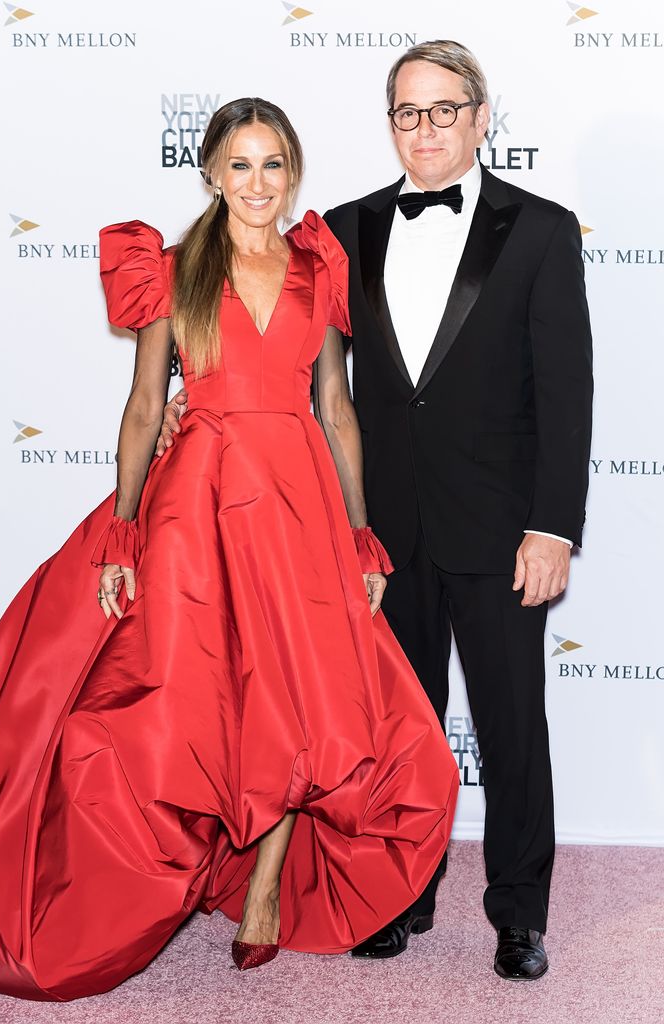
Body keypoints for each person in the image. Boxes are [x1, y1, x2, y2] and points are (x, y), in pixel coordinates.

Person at [0, 97, 458, 1001]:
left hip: (295, 504)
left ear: (294, 175)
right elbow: (140, 408)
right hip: (197, 501)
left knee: (298, 697)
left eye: (274, 165)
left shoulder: (319, 269)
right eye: (240, 165)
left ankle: (260, 889)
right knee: (180, 698)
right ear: (210, 172)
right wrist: (125, 526)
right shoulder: (168, 272)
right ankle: (155, 879)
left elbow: (337, 408)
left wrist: (361, 534)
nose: (257, 184)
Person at [160, 45, 593, 981]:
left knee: (513, 723)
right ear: (389, 123)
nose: (427, 128)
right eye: (408, 112)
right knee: (393, 725)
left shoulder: (543, 231)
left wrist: (554, 526)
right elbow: (263, 328)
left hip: (502, 526)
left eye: (446, 110)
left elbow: (567, 393)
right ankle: (399, 895)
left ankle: (519, 913)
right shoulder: (340, 232)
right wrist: (176, 403)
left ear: (483, 117)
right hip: (374, 529)